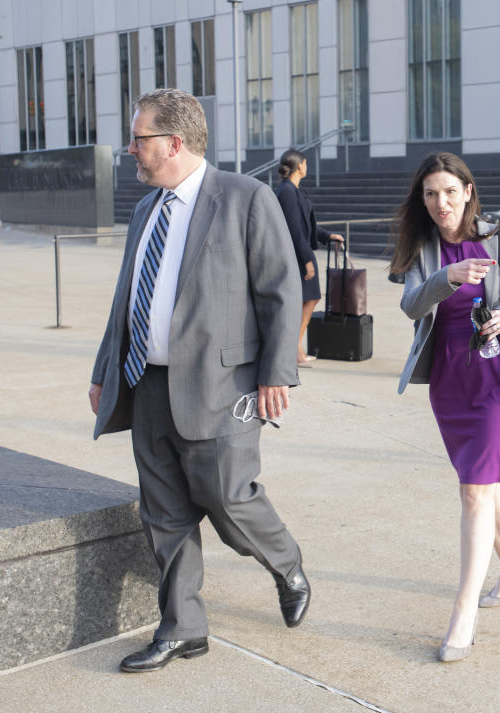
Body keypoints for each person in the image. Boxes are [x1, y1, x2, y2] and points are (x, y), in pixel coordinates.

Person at [88, 88, 311, 673]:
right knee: (163, 511)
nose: (131, 150)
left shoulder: (244, 198)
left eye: (139, 139)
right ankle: (183, 626)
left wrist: (276, 374)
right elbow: (126, 298)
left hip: (223, 386)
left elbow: (281, 291)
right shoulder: (145, 210)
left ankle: (285, 561)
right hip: (148, 383)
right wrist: (105, 371)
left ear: (174, 143)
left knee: (228, 497)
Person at [390, 151, 500, 663]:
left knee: (474, 490)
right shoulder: (423, 246)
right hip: (450, 381)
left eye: (449, 192)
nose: (441, 203)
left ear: (467, 190)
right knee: (487, 482)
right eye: (431, 194)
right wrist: (451, 275)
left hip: (499, 375)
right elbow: (411, 305)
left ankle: (464, 613)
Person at [274, 149, 344, 366]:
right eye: (305, 163)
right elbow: (294, 229)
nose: (307, 166)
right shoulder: (287, 191)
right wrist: (306, 259)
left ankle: (296, 348)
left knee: (307, 299)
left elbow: (305, 225)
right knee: (306, 300)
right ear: (300, 165)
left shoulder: (293, 190)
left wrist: (327, 235)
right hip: (297, 255)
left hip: (301, 251)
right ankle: (294, 349)